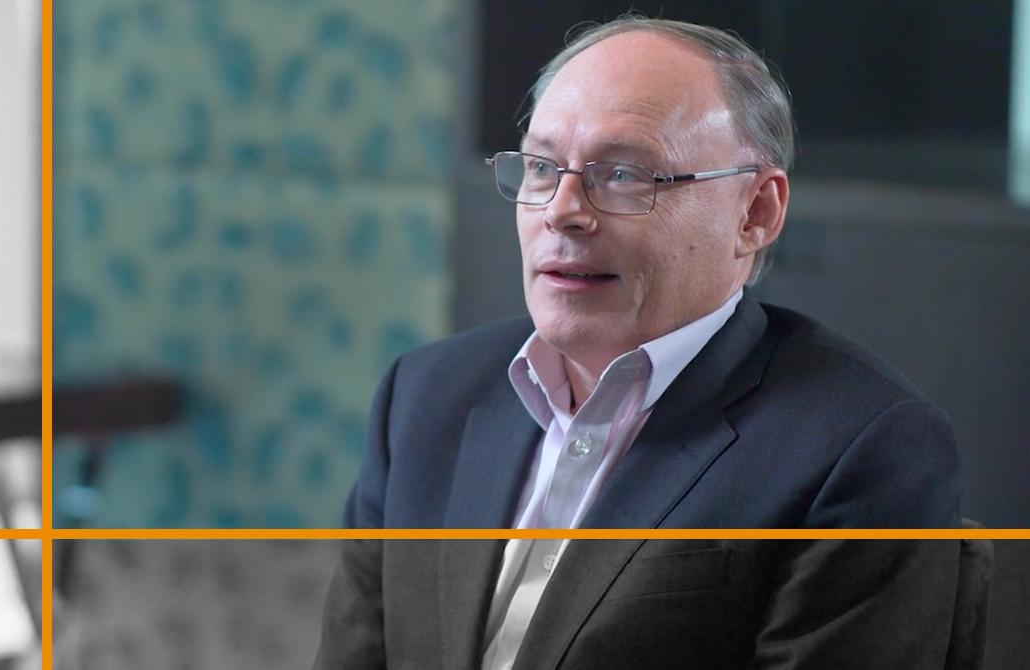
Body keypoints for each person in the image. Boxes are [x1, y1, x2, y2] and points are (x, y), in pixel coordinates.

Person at [317, 16, 963, 668]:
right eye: (541, 168)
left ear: (755, 213)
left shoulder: (863, 452)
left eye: (624, 175)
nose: (562, 209)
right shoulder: (426, 395)